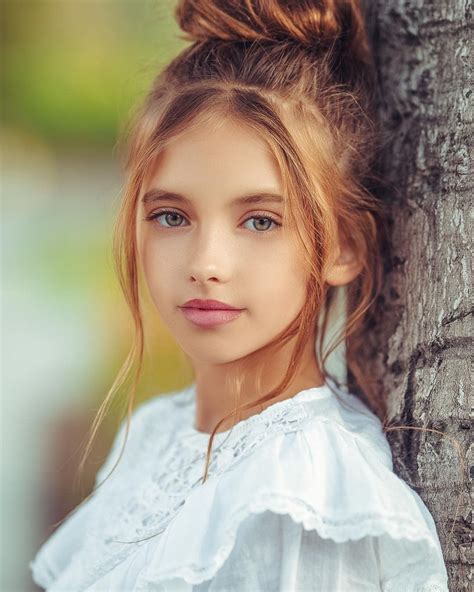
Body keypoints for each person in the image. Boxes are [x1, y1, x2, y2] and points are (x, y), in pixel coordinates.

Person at [29, 0, 450, 590]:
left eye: (259, 221)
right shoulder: (152, 434)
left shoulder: (308, 495)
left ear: (343, 247)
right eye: (172, 216)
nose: (205, 265)